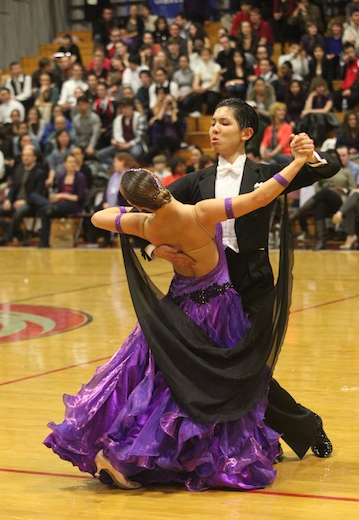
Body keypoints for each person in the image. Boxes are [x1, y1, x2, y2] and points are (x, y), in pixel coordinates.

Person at [44, 140, 312, 491]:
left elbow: (98, 217)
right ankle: (129, 455)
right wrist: (298, 162)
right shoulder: (201, 212)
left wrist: (156, 244)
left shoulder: (146, 225)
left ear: (137, 203)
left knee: (156, 379)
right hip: (216, 310)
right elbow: (260, 198)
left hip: (176, 308)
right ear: (158, 181)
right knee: (206, 385)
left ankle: (120, 451)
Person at [143, 98, 339, 459]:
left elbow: (328, 169)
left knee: (250, 370)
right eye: (213, 123)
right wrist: (155, 250)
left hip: (255, 285)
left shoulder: (268, 173)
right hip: (211, 292)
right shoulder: (195, 181)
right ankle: (252, 438)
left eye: (224, 124)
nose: (214, 129)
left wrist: (309, 154)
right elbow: (148, 220)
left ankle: (303, 426)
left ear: (246, 133)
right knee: (226, 371)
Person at [0, 145, 45, 246]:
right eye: (24, 155)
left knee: (20, 211)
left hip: (30, 204)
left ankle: (7, 238)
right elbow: (13, 188)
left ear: (34, 158)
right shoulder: (18, 170)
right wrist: (8, 200)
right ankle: (18, 233)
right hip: (15, 202)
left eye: (28, 155)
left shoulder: (40, 173)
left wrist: (25, 201)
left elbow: (39, 193)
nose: (25, 157)